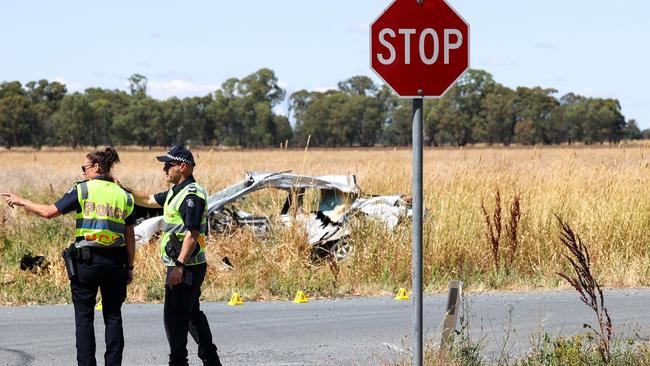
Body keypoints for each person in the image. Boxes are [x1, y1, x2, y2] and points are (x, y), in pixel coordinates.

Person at [1, 147, 136, 366]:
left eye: (84, 168)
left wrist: (21, 201)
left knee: (84, 318)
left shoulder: (83, 190)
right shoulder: (124, 195)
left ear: (96, 167)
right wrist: (129, 267)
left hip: (87, 262)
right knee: (113, 317)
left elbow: (48, 212)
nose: (83, 173)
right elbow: (130, 235)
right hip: (115, 263)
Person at [123, 145, 221, 366]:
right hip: (183, 265)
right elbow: (148, 199)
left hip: (186, 266)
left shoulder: (191, 195)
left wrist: (178, 266)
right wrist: (123, 189)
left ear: (182, 167)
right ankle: (211, 360)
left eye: (168, 164)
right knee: (191, 315)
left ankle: (179, 362)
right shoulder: (175, 192)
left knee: (174, 319)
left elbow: (193, 233)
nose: (164, 168)